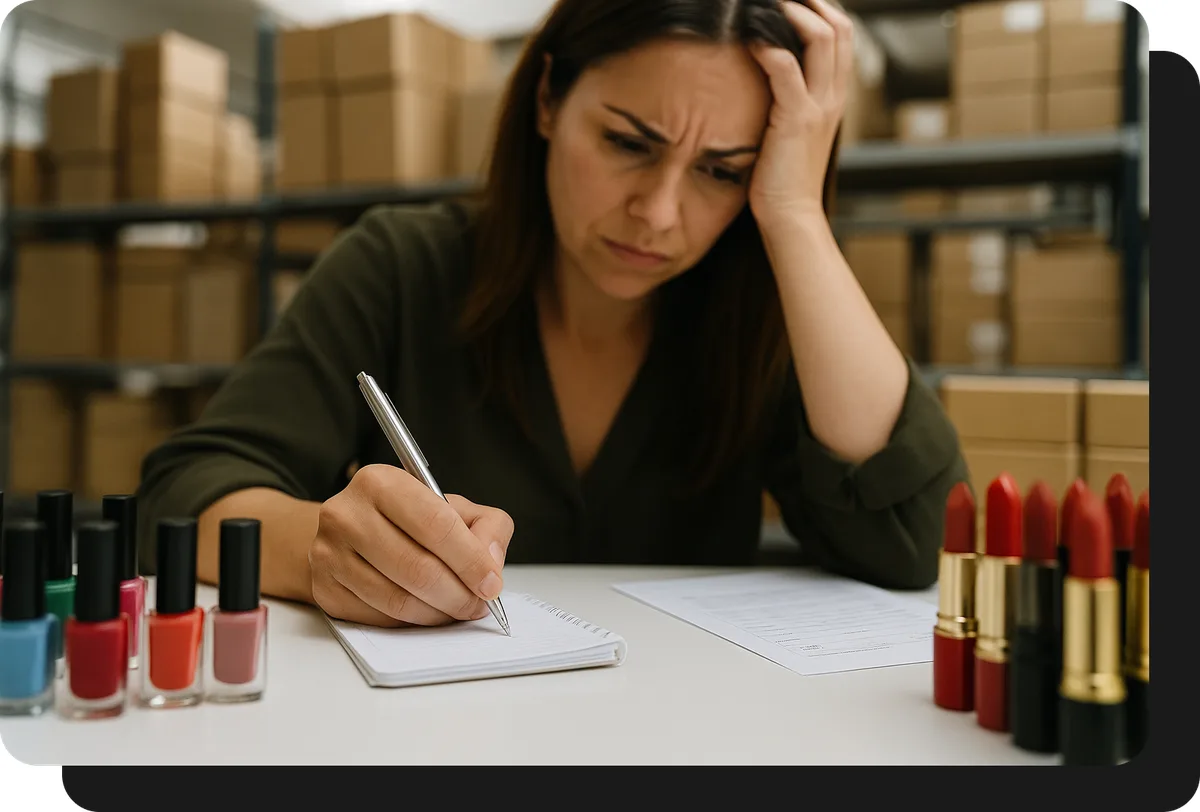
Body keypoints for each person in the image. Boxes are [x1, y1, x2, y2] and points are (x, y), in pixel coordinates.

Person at [138, 0, 969, 629]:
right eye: (628, 142)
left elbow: (908, 543)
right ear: (547, 99)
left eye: (722, 171)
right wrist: (319, 547)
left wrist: (792, 207)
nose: (659, 212)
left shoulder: (759, 305)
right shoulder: (402, 264)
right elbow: (183, 495)